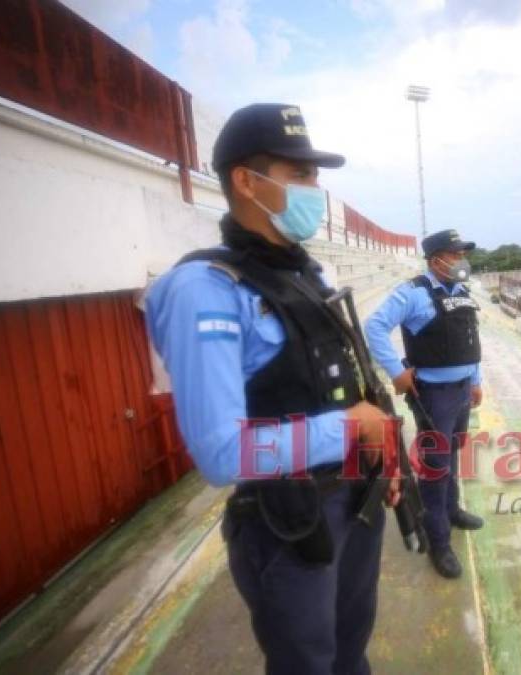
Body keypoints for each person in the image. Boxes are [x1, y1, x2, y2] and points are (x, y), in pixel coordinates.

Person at [145, 103, 397, 674]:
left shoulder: (308, 274)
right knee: (308, 662)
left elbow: (345, 376)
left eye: (316, 176)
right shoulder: (204, 290)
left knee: (352, 649)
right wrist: (352, 427)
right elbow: (221, 453)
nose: (316, 190)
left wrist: (384, 453)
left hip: (356, 498)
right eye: (300, 175)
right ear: (246, 181)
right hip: (290, 524)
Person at [365, 229, 485, 579]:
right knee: (435, 467)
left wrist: (475, 382)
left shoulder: (461, 291)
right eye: (456, 254)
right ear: (436, 261)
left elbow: (469, 339)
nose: (462, 260)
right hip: (434, 396)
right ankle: (439, 542)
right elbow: (375, 327)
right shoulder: (413, 293)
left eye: (464, 253)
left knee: (451, 455)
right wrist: (396, 371)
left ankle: (451, 510)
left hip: (462, 390)